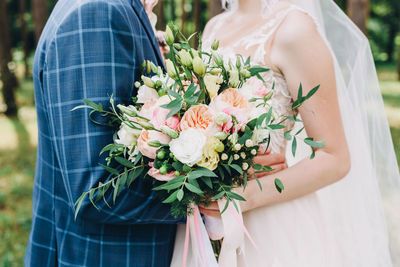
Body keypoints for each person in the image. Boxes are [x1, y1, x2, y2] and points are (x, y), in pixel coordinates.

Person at [25, 0, 287, 265]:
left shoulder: (114, 11)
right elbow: (98, 188)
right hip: (106, 255)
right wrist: (224, 181)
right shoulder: (98, 13)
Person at [197, 0, 400, 266]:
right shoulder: (214, 27)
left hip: (272, 230)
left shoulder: (293, 29)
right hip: (202, 226)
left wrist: (245, 197)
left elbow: (334, 157)